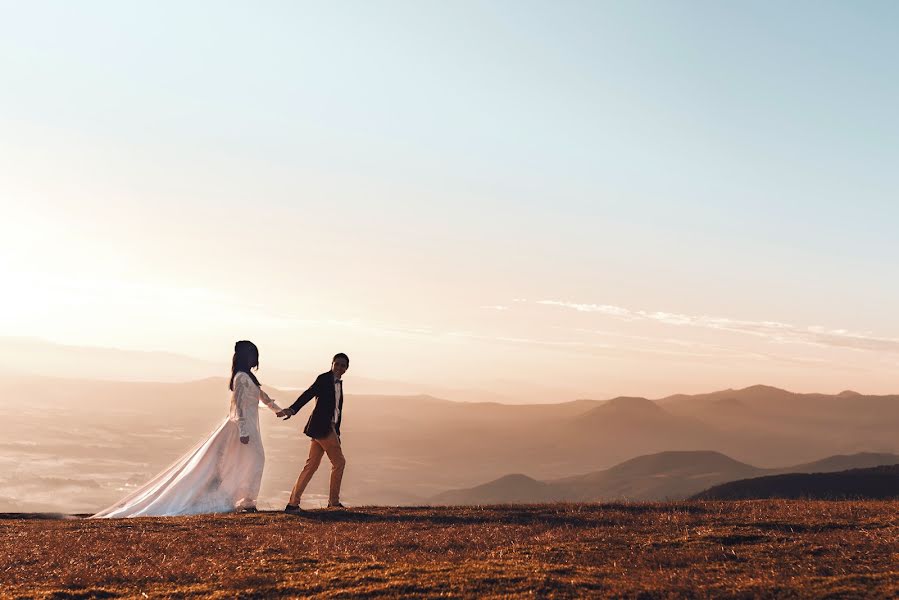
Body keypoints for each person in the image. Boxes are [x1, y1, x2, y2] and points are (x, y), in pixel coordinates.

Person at [92, 340, 283, 517]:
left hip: (246, 429)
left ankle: (244, 499)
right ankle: (245, 500)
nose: (255, 359)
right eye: (252, 355)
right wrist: (243, 431)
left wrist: (278, 410)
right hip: (242, 430)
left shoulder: (247, 377)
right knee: (252, 460)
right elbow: (239, 406)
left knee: (248, 461)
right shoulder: (241, 378)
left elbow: (261, 396)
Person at [277, 353, 349, 512]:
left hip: (323, 429)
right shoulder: (323, 379)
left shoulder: (339, 384)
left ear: (346, 369)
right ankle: (334, 503)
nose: (339, 367)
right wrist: (292, 409)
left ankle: (292, 504)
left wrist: (337, 432)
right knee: (339, 463)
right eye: (337, 364)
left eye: (342, 365)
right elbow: (308, 394)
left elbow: (337, 410)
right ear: (332, 364)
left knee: (311, 466)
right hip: (323, 428)